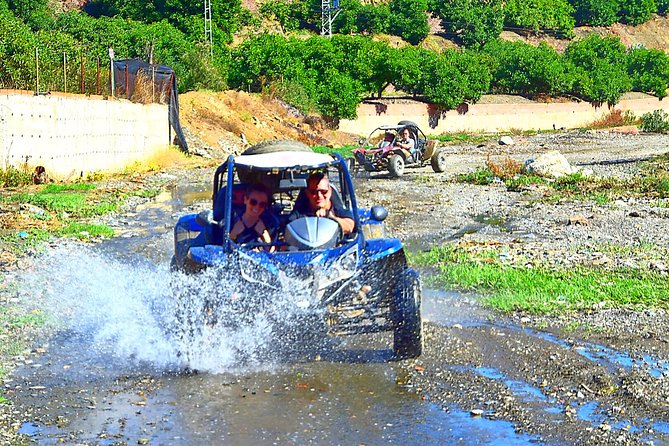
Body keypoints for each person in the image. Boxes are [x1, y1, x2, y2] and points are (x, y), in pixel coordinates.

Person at [289, 172, 355, 235]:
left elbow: (350, 226)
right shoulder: (299, 214)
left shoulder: (338, 210)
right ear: (307, 193)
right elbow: (288, 231)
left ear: (330, 192)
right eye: (313, 192)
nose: (319, 196)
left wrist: (331, 217)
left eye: (323, 192)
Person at [229, 183, 274, 249]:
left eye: (262, 204)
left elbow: (272, 253)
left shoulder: (270, 224)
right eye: (253, 202)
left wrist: (265, 235)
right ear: (245, 200)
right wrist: (233, 234)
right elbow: (222, 250)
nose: (257, 207)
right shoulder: (230, 221)